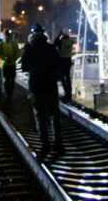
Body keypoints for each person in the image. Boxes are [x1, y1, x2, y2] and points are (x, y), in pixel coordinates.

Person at [21, 24, 65, 158]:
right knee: (54, 115)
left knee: (40, 115)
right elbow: (59, 65)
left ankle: (45, 145)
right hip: (50, 86)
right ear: (44, 34)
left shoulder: (29, 48)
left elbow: (23, 67)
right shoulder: (51, 48)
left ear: (32, 34)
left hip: (36, 86)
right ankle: (58, 144)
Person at [0, 29, 22, 104]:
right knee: (9, 81)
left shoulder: (2, 44)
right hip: (9, 65)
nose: (7, 36)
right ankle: (9, 95)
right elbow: (18, 53)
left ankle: (8, 95)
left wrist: (6, 59)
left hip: (7, 65)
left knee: (8, 80)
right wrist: (10, 59)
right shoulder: (12, 44)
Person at [53, 30, 75, 102]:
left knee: (63, 79)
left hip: (62, 61)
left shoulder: (61, 42)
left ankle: (67, 94)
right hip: (68, 61)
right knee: (68, 78)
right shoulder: (71, 42)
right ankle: (69, 94)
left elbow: (55, 42)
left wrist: (59, 34)